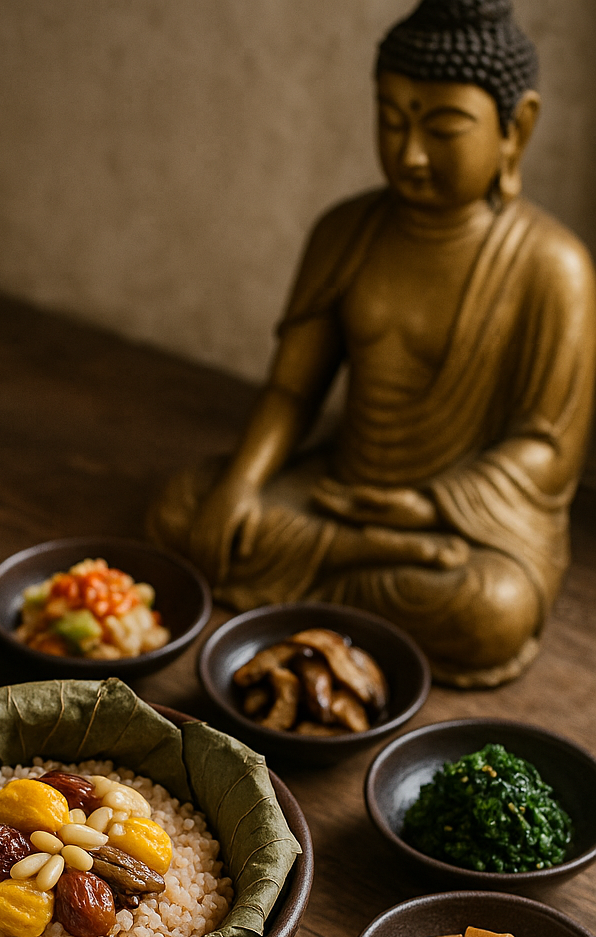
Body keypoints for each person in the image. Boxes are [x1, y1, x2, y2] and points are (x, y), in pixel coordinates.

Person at [148, 0, 596, 686]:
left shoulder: (553, 268)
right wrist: (243, 482)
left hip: (460, 528)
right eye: (392, 121)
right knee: (182, 507)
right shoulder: (346, 232)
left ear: (516, 130)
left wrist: (428, 505)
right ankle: (360, 552)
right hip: (339, 489)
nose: (410, 153)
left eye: (444, 128)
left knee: (490, 609)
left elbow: (547, 450)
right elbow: (293, 390)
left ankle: (346, 564)